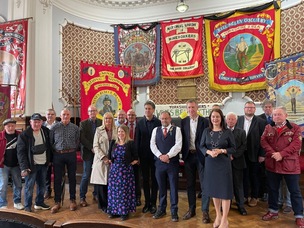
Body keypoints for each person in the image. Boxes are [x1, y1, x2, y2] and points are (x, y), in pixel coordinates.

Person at [260, 106, 304, 228]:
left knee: (294, 191)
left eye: (279, 114)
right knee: (272, 189)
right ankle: (273, 211)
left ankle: (299, 216)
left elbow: (296, 144)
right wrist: (273, 153)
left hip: (290, 165)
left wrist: (281, 154)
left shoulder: (294, 128)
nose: (276, 117)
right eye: (274, 115)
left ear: (285, 115)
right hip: (272, 164)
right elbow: (263, 141)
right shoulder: (268, 127)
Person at [200, 108, 236, 228]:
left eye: (217, 117)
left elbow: (233, 148)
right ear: (210, 118)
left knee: (225, 192)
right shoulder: (206, 131)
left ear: (221, 118)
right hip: (210, 164)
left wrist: (222, 150)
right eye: (213, 117)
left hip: (223, 164)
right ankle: (218, 216)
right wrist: (209, 152)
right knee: (214, 191)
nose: (215, 119)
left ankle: (225, 220)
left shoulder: (227, 132)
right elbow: (201, 146)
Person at [180, 99, 210, 223]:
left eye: (193, 107)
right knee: (190, 184)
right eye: (189, 107)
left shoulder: (205, 121)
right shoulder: (183, 122)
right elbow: (182, 139)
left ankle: (205, 212)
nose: (191, 110)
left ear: (197, 108)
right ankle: (191, 210)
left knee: (204, 185)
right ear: (186, 109)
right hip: (188, 156)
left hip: (201, 156)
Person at [150, 111, 182, 222]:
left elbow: (178, 145)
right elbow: (152, 145)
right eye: (162, 119)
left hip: (172, 164)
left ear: (170, 119)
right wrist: (160, 156)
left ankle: (174, 211)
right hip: (159, 164)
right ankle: (161, 209)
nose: (164, 120)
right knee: (161, 188)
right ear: (160, 119)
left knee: (173, 188)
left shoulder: (176, 130)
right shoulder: (156, 130)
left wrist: (168, 156)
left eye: (166, 118)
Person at [17, 113, 52, 212]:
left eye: (38, 122)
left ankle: (39, 203)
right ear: (30, 122)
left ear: (42, 122)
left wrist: (49, 160)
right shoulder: (24, 135)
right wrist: (24, 167)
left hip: (43, 163)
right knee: (29, 186)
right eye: (34, 122)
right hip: (31, 165)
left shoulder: (46, 131)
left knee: (42, 185)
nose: (36, 124)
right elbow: (21, 152)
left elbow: (49, 147)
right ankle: (28, 206)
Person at [236, 101, 266, 207]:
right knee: (243, 176)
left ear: (255, 109)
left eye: (252, 107)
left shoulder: (261, 122)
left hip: (255, 154)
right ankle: (244, 196)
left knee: (254, 176)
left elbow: (264, 139)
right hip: (240, 154)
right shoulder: (238, 119)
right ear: (244, 109)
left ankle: (254, 197)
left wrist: (262, 154)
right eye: (247, 107)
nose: (249, 109)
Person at [50, 108, 80, 213]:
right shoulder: (54, 127)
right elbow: (51, 141)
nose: (65, 116)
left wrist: (71, 149)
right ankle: (57, 201)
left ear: (70, 116)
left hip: (71, 154)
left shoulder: (75, 128)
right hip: (58, 155)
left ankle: (72, 200)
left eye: (67, 114)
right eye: (64, 114)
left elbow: (77, 141)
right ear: (60, 115)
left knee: (72, 178)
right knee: (57, 179)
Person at [107, 124, 138, 221]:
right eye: (119, 131)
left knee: (124, 192)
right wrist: (111, 162)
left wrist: (130, 164)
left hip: (125, 172)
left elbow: (136, 157)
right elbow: (109, 155)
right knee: (114, 192)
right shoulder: (113, 142)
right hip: (114, 171)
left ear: (126, 133)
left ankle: (124, 212)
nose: (120, 133)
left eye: (122, 132)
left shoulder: (131, 143)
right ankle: (114, 211)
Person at [135, 100, 161, 214]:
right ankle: (147, 203)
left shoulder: (159, 122)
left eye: (149, 108)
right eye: (145, 108)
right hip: (144, 156)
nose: (147, 110)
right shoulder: (140, 123)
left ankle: (153, 204)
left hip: (156, 156)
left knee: (155, 180)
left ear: (153, 110)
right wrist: (137, 156)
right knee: (145, 180)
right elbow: (137, 141)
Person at [90, 112, 117, 213]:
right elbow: (95, 146)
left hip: (113, 160)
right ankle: (103, 205)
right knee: (102, 184)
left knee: (111, 184)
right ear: (103, 120)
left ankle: (111, 204)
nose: (108, 121)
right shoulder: (98, 130)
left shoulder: (116, 129)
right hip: (101, 160)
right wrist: (104, 157)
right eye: (106, 119)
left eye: (110, 119)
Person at [79, 105, 102, 207]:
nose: (92, 112)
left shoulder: (101, 122)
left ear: (97, 112)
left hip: (99, 153)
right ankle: (82, 197)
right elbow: (82, 138)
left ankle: (96, 194)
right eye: (90, 111)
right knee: (86, 175)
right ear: (88, 113)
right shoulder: (83, 123)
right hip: (88, 153)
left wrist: (97, 149)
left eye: (94, 110)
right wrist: (92, 148)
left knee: (97, 175)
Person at [226, 112, 247, 216]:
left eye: (233, 119)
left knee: (238, 185)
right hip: (224, 163)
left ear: (236, 120)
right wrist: (227, 155)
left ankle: (240, 206)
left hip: (237, 162)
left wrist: (233, 155)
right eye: (229, 119)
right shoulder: (221, 131)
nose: (230, 121)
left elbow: (244, 146)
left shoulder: (242, 132)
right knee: (226, 184)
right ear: (226, 120)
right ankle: (227, 205)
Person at [0, 118, 24, 210]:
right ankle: (2, 203)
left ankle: (17, 202)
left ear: (15, 126)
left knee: (18, 184)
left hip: (16, 164)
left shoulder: (20, 135)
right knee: (3, 185)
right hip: (3, 165)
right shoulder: (1, 136)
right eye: (8, 126)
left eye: (12, 126)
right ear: (5, 127)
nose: (10, 128)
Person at [258, 99, 275, 202]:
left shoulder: (277, 117)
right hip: (263, 150)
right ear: (263, 108)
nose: (267, 109)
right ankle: (264, 193)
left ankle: (273, 194)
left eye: (269, 107)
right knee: (263, 173)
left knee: (273, 174)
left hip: (275, 151)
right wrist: (262, 153)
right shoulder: (259, 118)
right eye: (266, 107)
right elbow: (259, 138)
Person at [126, 108, 141, 206]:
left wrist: (138, 157)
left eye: (133, 115)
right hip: (127, 157)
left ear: (135, 116)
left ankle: (137, 197)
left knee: (137, 178)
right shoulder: (123, 127)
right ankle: (128, 197)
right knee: (127, 179)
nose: (131, 117)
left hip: (137, 156)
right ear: (127, 116)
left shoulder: (140, 125)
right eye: (129, 115)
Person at [43, 108, 58, 200]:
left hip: (57, 152)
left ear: (55, 116)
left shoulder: (59, 125)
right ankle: (47, 190)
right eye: (48, 114)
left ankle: (58, 191)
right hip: (46, 153)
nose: (50, 116)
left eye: (52, 114)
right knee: (46, 173)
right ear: (46, 116)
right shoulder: (42, 126)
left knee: (57, 173)